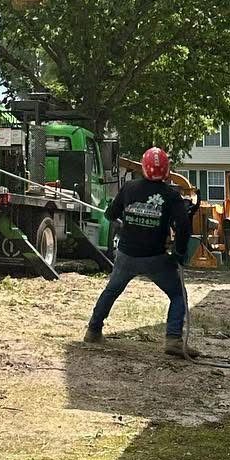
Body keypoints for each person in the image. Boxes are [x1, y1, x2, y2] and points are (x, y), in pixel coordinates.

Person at [85, 146, 199, 357]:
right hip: (154, 258)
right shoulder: (171, 195)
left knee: (112, 290)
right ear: (167, 170)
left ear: (143, 167)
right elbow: (184, 227)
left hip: (127, 255)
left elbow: (110, 215)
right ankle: (173, 339)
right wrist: (179, 254)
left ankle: (93, 330)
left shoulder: (129, 188)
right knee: (178, 295)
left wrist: (127, 223)